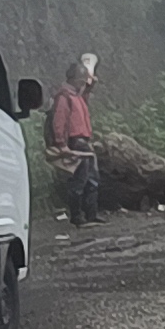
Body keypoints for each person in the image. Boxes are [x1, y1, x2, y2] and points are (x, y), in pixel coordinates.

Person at [47, 54, 103, 225]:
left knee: (92, 178)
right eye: (81, 79)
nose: (83, 83)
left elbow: (86, 92)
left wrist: (91, 82)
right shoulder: (64, 97)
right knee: (79, 180)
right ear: (74, 79)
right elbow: (59, 121)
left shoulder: (76, 95)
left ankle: (91, 214)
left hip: (83, 141)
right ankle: (77, 217)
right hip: (75, 142)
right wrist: (61, 144)